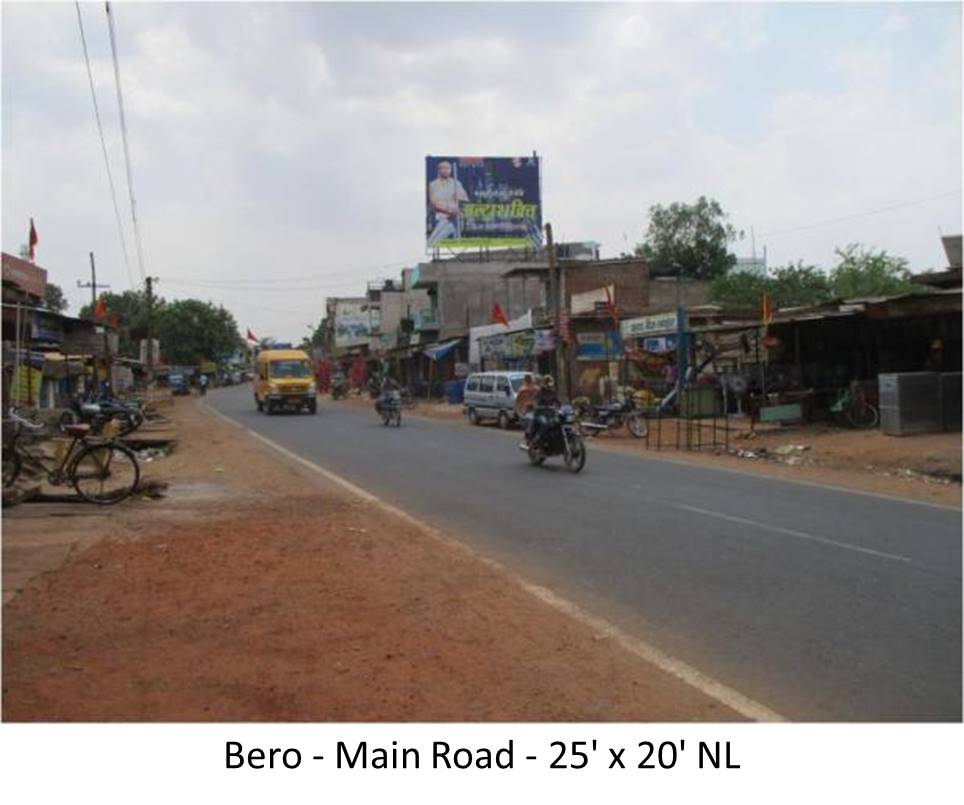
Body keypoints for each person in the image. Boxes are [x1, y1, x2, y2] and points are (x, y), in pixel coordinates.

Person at [427, 160, 469, 246]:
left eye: (448, 168)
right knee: (432, 242)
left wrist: (460, 197)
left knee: (455, 244)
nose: (447, 170)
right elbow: (434, 203)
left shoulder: (456, 183)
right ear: (439, 170)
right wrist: (450, 210)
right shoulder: (433, 184)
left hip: (454, 220)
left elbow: (465, 199)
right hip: (440, 218)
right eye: (444, 168)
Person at [527, 374, 559, 447]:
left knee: (558, 424)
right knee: (545, 424)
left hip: (551, 414)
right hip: (540, 414)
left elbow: (558, 402)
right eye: (547, 384)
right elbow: (535, 400)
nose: (549, 386)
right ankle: (537, 438)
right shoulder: (540, 392)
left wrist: (560, 408)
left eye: (550, 384)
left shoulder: (553, 392)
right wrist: (536, 405)